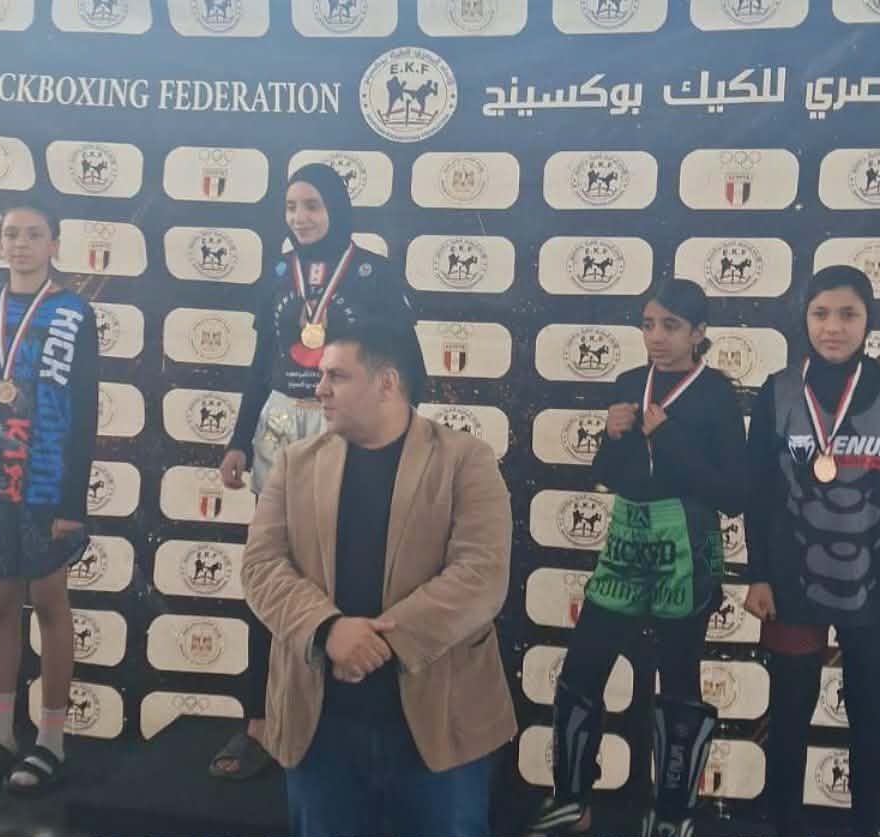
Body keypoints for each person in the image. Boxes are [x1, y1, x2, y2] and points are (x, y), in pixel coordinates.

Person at [240, 321, 516, 837]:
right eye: (322, 375)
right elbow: (260, 566)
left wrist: (374, 644)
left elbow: (481, 575)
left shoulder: (466, 460)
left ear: (387, 383)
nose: (320, 389)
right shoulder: (294, 463)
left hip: (439, 730)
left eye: (337, 376)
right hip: (319, 731)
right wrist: (328, 630)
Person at [210, 162, 419, 780]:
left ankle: (345, 720)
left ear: (336, 208)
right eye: (291, 206)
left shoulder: (374, 272)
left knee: (349, 568)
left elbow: (406, 363)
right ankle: (259, 721)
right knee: (271, 572)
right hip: (279, 427)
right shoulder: (278, 275)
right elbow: (261, 360)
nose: (300, 217)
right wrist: (238, 440)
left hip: (348, 426)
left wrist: (404, 437)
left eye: (312, 205)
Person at [529, 280, 747, 837]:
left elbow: (733, 494)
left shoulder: (716, 394)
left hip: (686, 549)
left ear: (699, 333)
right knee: (581, 669)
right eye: (648, 324)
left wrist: (668, 439)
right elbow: (609, 476)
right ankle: (572, 801)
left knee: (678, 681)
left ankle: (673, 815)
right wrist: (610, 437)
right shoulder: (631, 382)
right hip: (627, 542)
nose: (656, 337)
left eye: (671, 326)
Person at [744, 265, 880, 837]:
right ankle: (785, 827)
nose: (833, 327)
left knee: (869, 715)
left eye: (848, 314)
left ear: (869, 321)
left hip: (875, 582)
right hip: (791, 580)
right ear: (804, 318)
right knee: (789, 713)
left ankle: (865, 825)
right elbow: (759, 492)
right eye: (821, 313)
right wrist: (758, 574)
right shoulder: (778, 390)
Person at [0, 205, 98, 795]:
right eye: (11, 234)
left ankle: (51, 741)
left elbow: (85, 409)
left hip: (45, 485)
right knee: (1, 605)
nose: (21, 244)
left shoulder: (74, 313)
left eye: (34, 234)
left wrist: (73, 503)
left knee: (51, 603)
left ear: (54, 243)